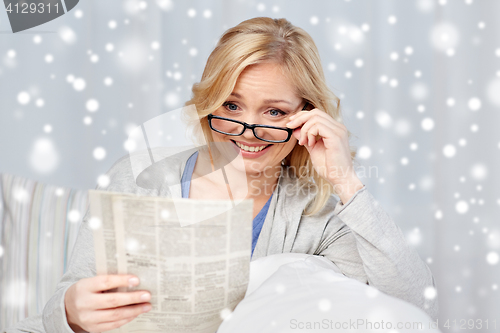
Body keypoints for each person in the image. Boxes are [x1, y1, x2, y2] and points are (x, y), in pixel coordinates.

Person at [6, 16, 438, 333]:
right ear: (208, 101)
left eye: (274, 112)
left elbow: (409, 306)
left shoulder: (318, 210)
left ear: (306, 116)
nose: (246, 132)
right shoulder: (139, 178)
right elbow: (62, 305)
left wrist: (345, 180)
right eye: (231, 106)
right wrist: (71, 311)